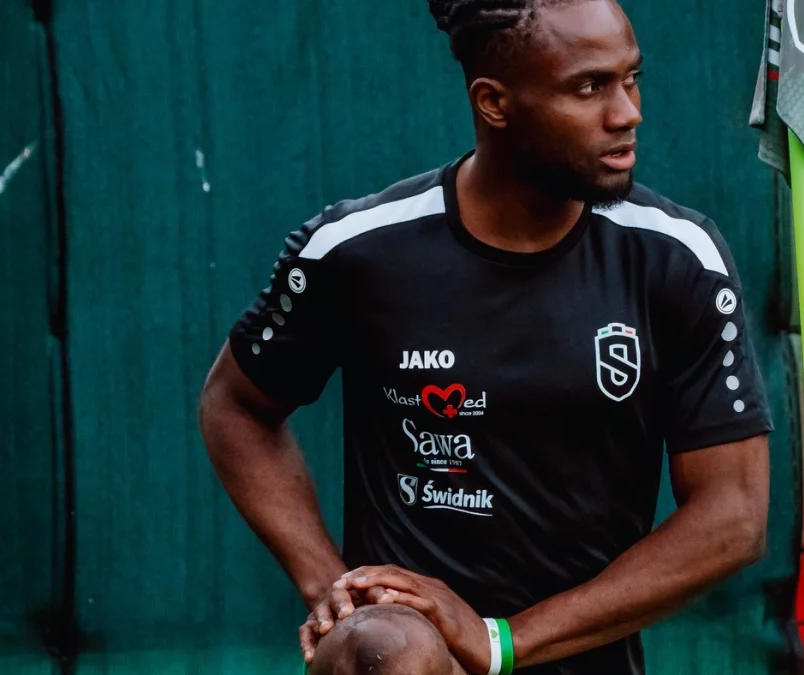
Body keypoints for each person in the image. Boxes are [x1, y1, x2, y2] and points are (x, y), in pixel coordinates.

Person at [198, 0, 773, 673]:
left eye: (631, 79)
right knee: (393, 648)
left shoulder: (678, 258)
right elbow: (236, 406)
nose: (627, 113)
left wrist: (504, 639)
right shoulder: (357, 251)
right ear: (494, 103)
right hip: (408, 653)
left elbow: (734, 515)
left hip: (576, 654)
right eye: (589, 87)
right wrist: (335, 589)